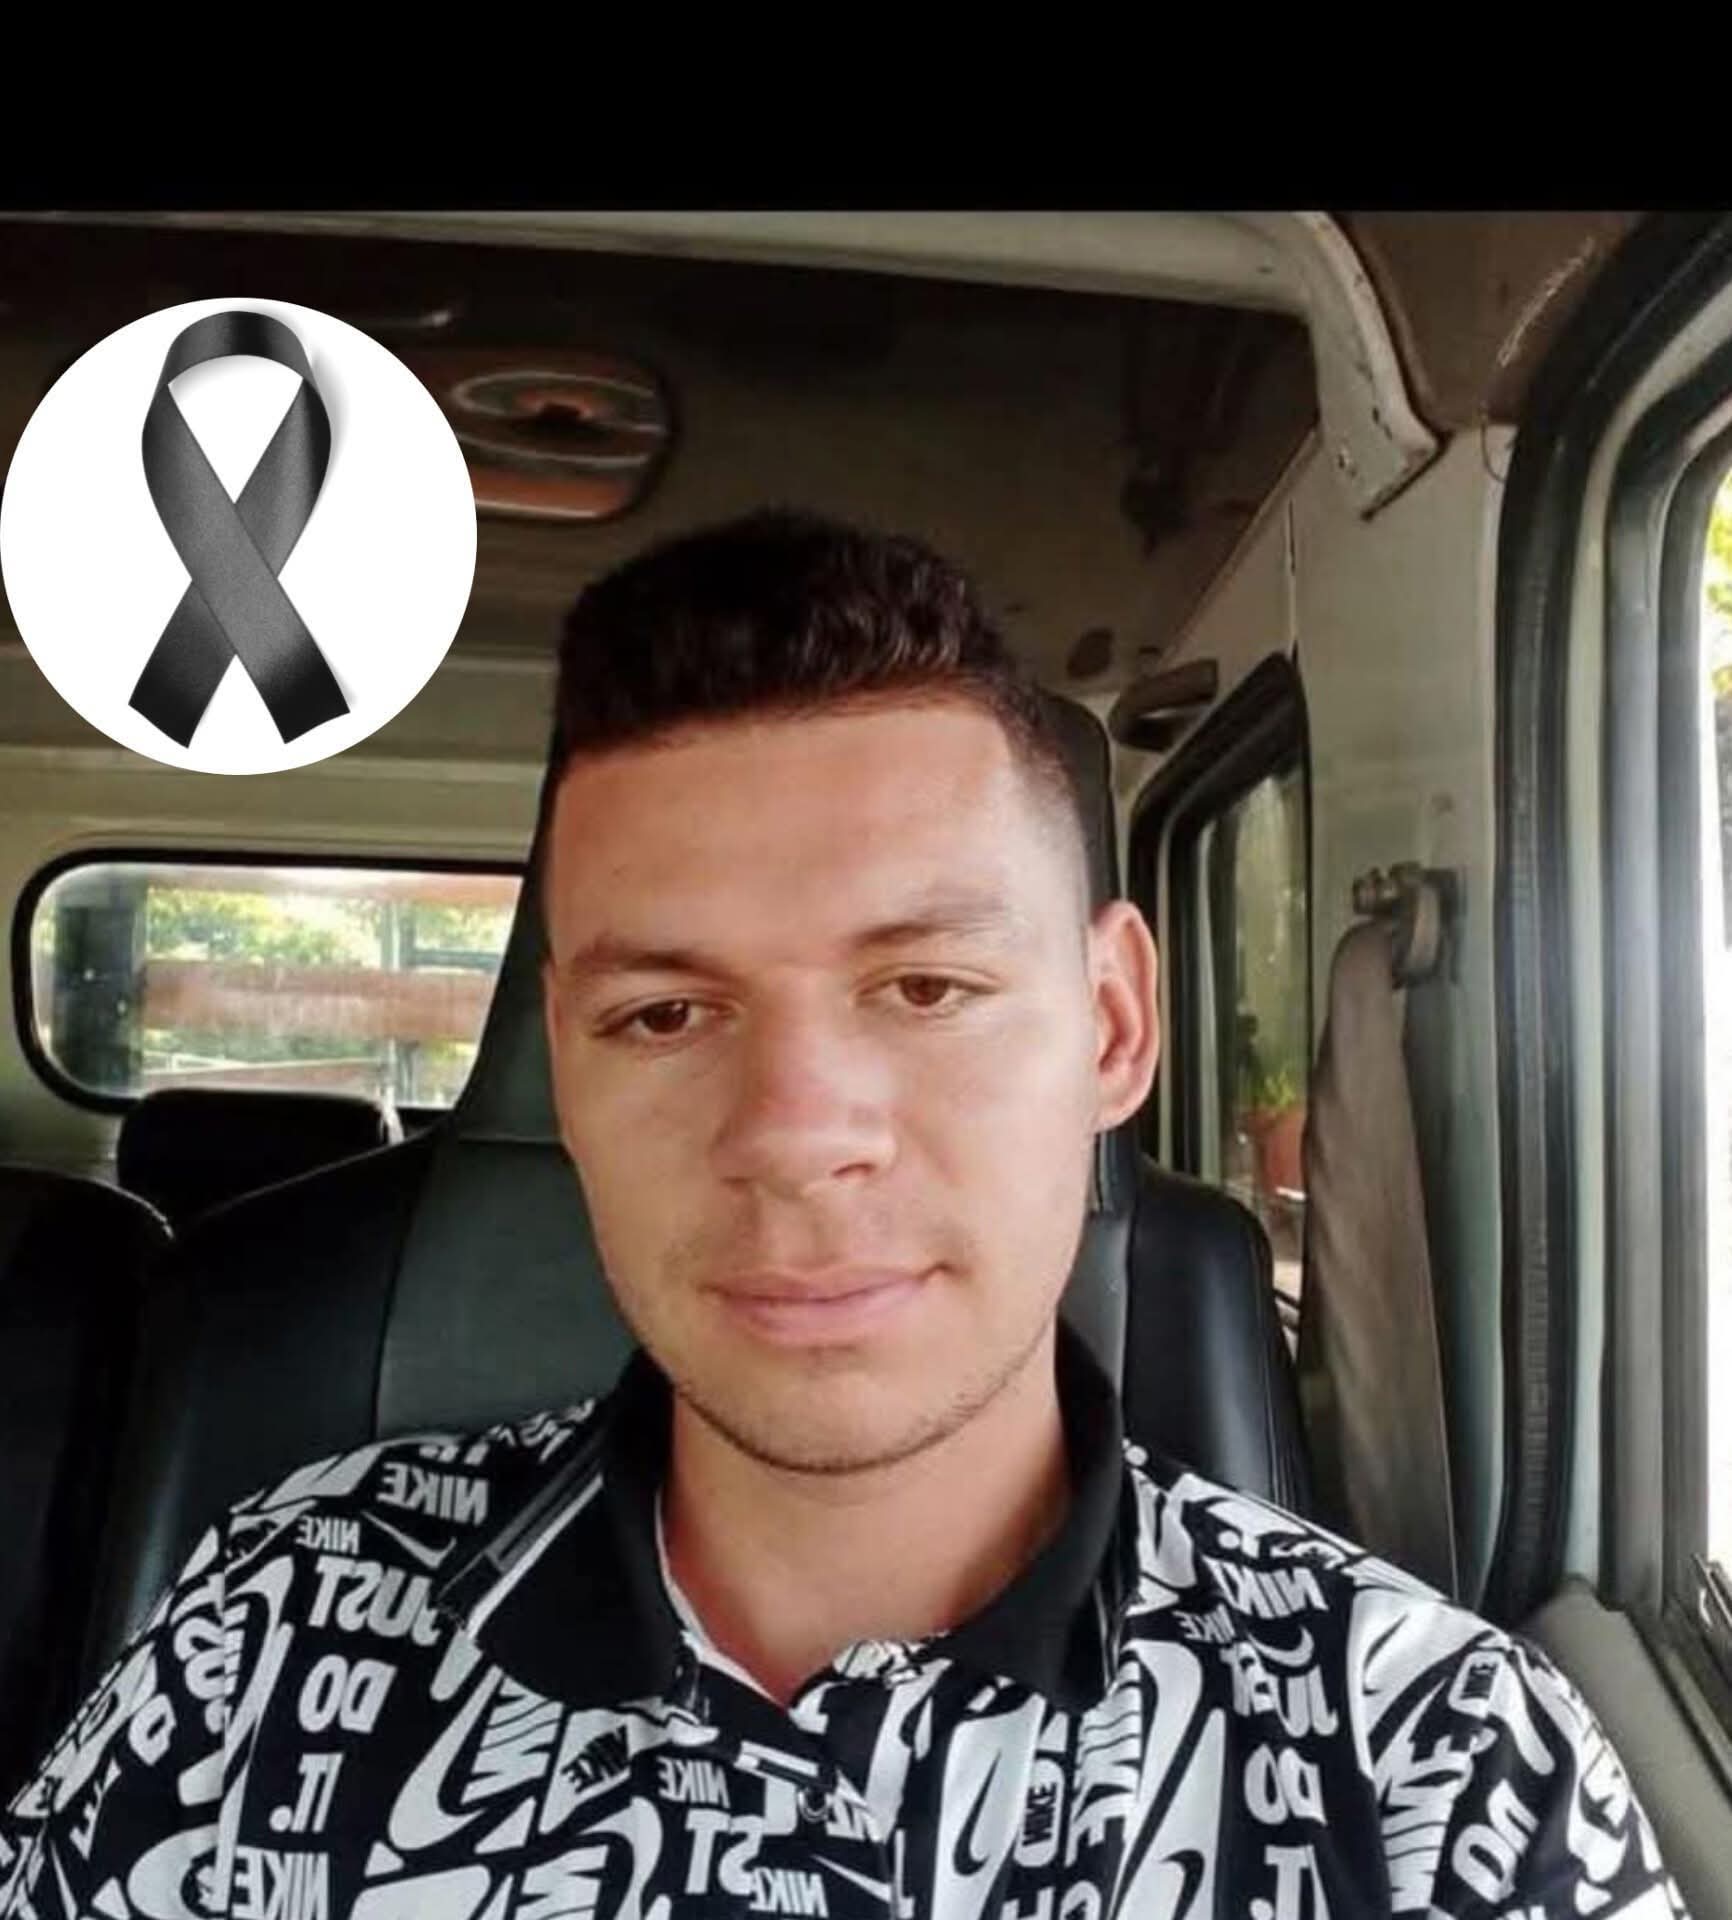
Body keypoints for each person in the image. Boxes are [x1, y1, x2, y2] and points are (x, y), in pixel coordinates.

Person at [1, 511, 1686, 1918]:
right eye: (666, 1014)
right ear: (563, 1076)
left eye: (927, 986)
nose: (799, 1140)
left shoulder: (1437, 1768)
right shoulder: (277, 1634)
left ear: (1112, 1028)